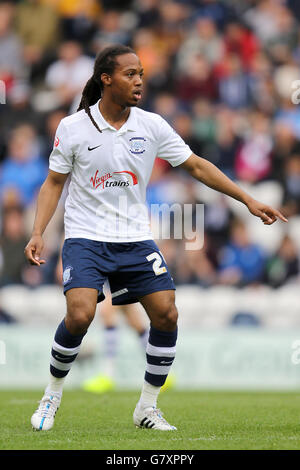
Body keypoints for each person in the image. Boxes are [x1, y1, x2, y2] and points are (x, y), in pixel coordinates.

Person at [24, 44, 288, 432]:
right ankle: (52, 393)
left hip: (134, 238)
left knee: (167, 312)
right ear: (106, 79)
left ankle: (147, 407)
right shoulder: (74, 127)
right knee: (80, 314)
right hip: (86, 237)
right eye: (130, 74)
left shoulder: (151, 125)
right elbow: (53, 183)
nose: (139, 81)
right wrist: (37, 232)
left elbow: (196, 165)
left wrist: (246, 199)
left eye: (142, 74)